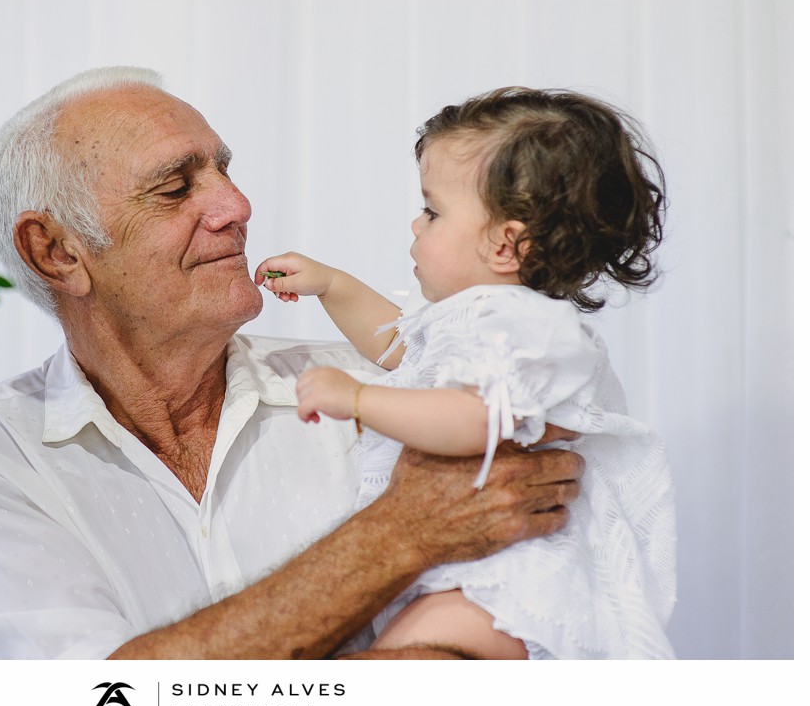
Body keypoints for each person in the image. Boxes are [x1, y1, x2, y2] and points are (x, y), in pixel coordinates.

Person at [0, 67, 584, 660]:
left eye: (224, 170)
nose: (237, 208)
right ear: (57, 252)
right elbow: (99, 704)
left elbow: (524, 634)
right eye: (176, 187)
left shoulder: (399, 386)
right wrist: (399, 535)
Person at [255, 87, 677, 659]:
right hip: (464, 569)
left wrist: (358, 399)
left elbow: (478, 419)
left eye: (432, 211)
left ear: (506, 245)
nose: (415, 224)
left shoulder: (523, 326)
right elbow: (402, 351)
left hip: (499, 580)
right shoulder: (477, 321)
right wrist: (333, 285)